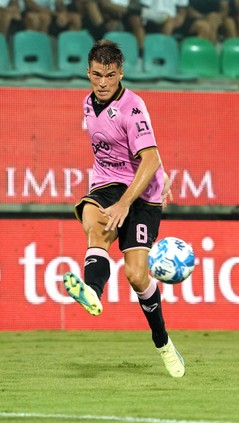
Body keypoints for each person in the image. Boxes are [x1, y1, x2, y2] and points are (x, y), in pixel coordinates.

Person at [63, 39, 185, 378]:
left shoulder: (133, 107)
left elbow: (150, 158)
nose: (103, 83)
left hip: (142, 194)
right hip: (107, 183)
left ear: (121, 74)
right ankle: (92, 291)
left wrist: (126, 202)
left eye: (111, 76)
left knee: (135, 275)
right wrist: (113, 202)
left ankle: (163, 342)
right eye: (97, 75)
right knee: (94, 223)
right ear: (88, 73)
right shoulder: (88, 104)